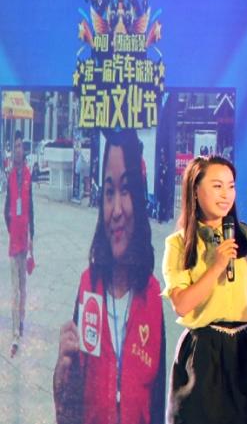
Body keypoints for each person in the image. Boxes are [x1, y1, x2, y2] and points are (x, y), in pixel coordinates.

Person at [53, 129, 165, 424]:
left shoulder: (153, 296)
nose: (116, 210)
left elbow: (157, 405)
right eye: (109, 192)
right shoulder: (87, 287)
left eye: (126, 190)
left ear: (139, 199)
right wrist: (61, 374)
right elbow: (69, 409)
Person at [162, 155, 247, 424]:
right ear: (195, 190)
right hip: (202, 353)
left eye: (231, 186)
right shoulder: (179, 244)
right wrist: (216, 266)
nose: (226, 194)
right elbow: (181, 304)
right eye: (217, 186)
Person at [4, 130, 34, 357]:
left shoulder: (28, 176)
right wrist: (11, 226)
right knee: (15, 289)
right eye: (14, 147)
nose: (17, 150)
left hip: (25, 240)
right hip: (14, 241)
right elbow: (6, 208)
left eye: (19, 146)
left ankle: (21, 321)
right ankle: (15, 332)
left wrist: (32, 235)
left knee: (23, 287)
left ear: (24, 150)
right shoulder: (10, 176)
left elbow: (31, 208)